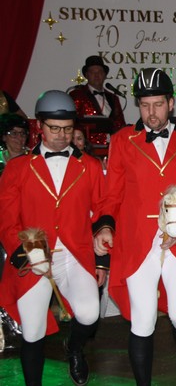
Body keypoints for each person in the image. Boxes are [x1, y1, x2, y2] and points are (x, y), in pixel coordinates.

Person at [93, 68, 176, 386]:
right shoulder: (123, 140)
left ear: (171, 103)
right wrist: (105, 226)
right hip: (136, 243)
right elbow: (112, 194)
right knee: (143, 320)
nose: (151, 113)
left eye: (158, 104)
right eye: (145, 105)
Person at [0, 90, 106, 386]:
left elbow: (102, 210)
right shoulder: (17, 168)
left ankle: (74, 348)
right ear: (39, 126)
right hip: (32, 256)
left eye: (68, 129)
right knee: (33, 331)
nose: (62, 136)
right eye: (54, 129)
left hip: (75, 254)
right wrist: (24, 252)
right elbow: (6, 219)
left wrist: (102, 259)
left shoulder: (90, 166)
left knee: (89, 315)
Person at [69, 55, 126, 146]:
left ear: (104, 75)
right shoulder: (76, 95)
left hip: (111, 146)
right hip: (86, 147)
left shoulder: (113, 98)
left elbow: (121, 124)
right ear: (86, 75)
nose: (96, 75)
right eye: (92, 72)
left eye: (100, 72)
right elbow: (71, 122)